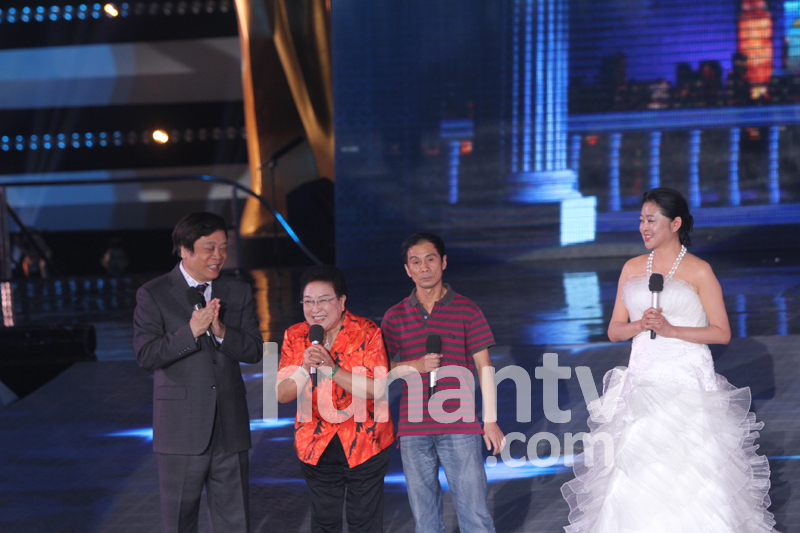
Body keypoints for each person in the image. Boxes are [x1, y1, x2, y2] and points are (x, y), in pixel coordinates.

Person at [561, 188, 777, 532]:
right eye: (641, 220)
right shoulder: (631, 268)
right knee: (636, 469)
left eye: (652, 220)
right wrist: (639, 325)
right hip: (642, 381)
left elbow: (721, 332)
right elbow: (615, 330)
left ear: (675, 224)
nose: (644, 228)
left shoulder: (699, 270)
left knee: (693, 471)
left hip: (687, 382)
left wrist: (671, 329)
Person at [133, 212, 263, 533]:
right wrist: (190, 332)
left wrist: (222, 332)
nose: (219, 256)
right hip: (181, 429)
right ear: (184, 250)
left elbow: (255, 350)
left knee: (235, 523)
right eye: (209, 248)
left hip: (230, 427)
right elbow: (147, 355)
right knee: (180, 522)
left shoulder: (237, 291)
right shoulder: (154, 293)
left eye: (223, 247)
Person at [381, 232, 504, 533]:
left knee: (474, 514)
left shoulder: (467, 310)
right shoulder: (395, 317)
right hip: (413, 428)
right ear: (407, 269)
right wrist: (415, 365)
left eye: (430, 259)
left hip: (459, 424)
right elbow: (380, 369)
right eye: (416, 262)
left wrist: (490, 421)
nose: (424, 268)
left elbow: (484, 366)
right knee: (425, 520)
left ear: (444, 262)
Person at [277, 265, 395, 532]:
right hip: (315, 443)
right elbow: (282, 395)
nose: (315, 308)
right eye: (308, 301)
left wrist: (332, 370)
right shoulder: (295, 336)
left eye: (323, 300)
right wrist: (304, 368)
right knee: (324, 522)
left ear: (342, 302)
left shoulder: (367, 331)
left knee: (364, 524)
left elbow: (377, 389)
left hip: (365, 442)